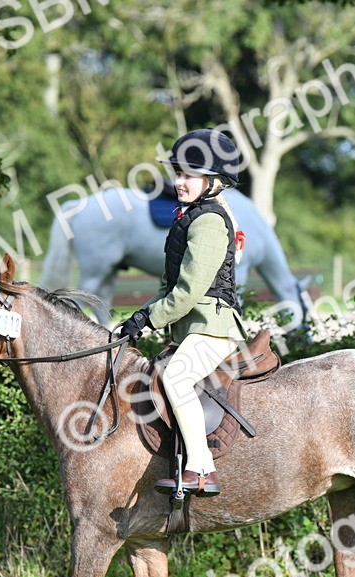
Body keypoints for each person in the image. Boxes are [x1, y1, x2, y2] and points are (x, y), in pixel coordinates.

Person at [119, 129, 248, 497]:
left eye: (188, 175)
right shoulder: (188, 217)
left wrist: (150, 319)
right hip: (193, 329)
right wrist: (139, 318)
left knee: (176, 378)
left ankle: (201, 469)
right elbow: (168, 286)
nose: (178, 182)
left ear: (212, 181)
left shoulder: (208, 221)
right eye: (177, 173)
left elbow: (188, 292)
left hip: (214, 328)